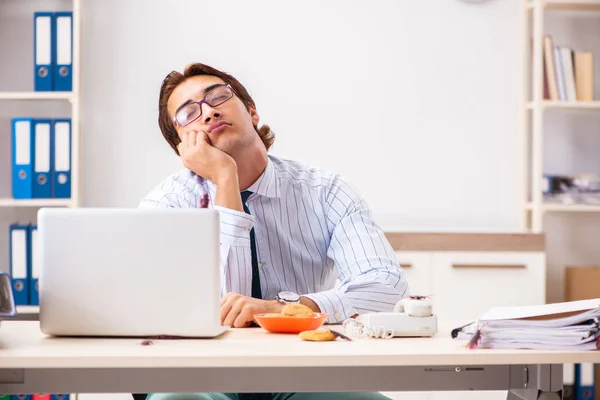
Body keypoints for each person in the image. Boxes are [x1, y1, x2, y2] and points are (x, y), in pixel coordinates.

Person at [139, 62, 410, 400]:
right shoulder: (166, 204)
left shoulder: (325, 190)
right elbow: (226, 313)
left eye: (217, 97)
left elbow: (387, 288)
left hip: (301, 369)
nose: (208, 112)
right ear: (182, 146)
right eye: (189, 113)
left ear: (251, 112)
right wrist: (226, 179)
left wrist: (290, 310)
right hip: (200, 373)